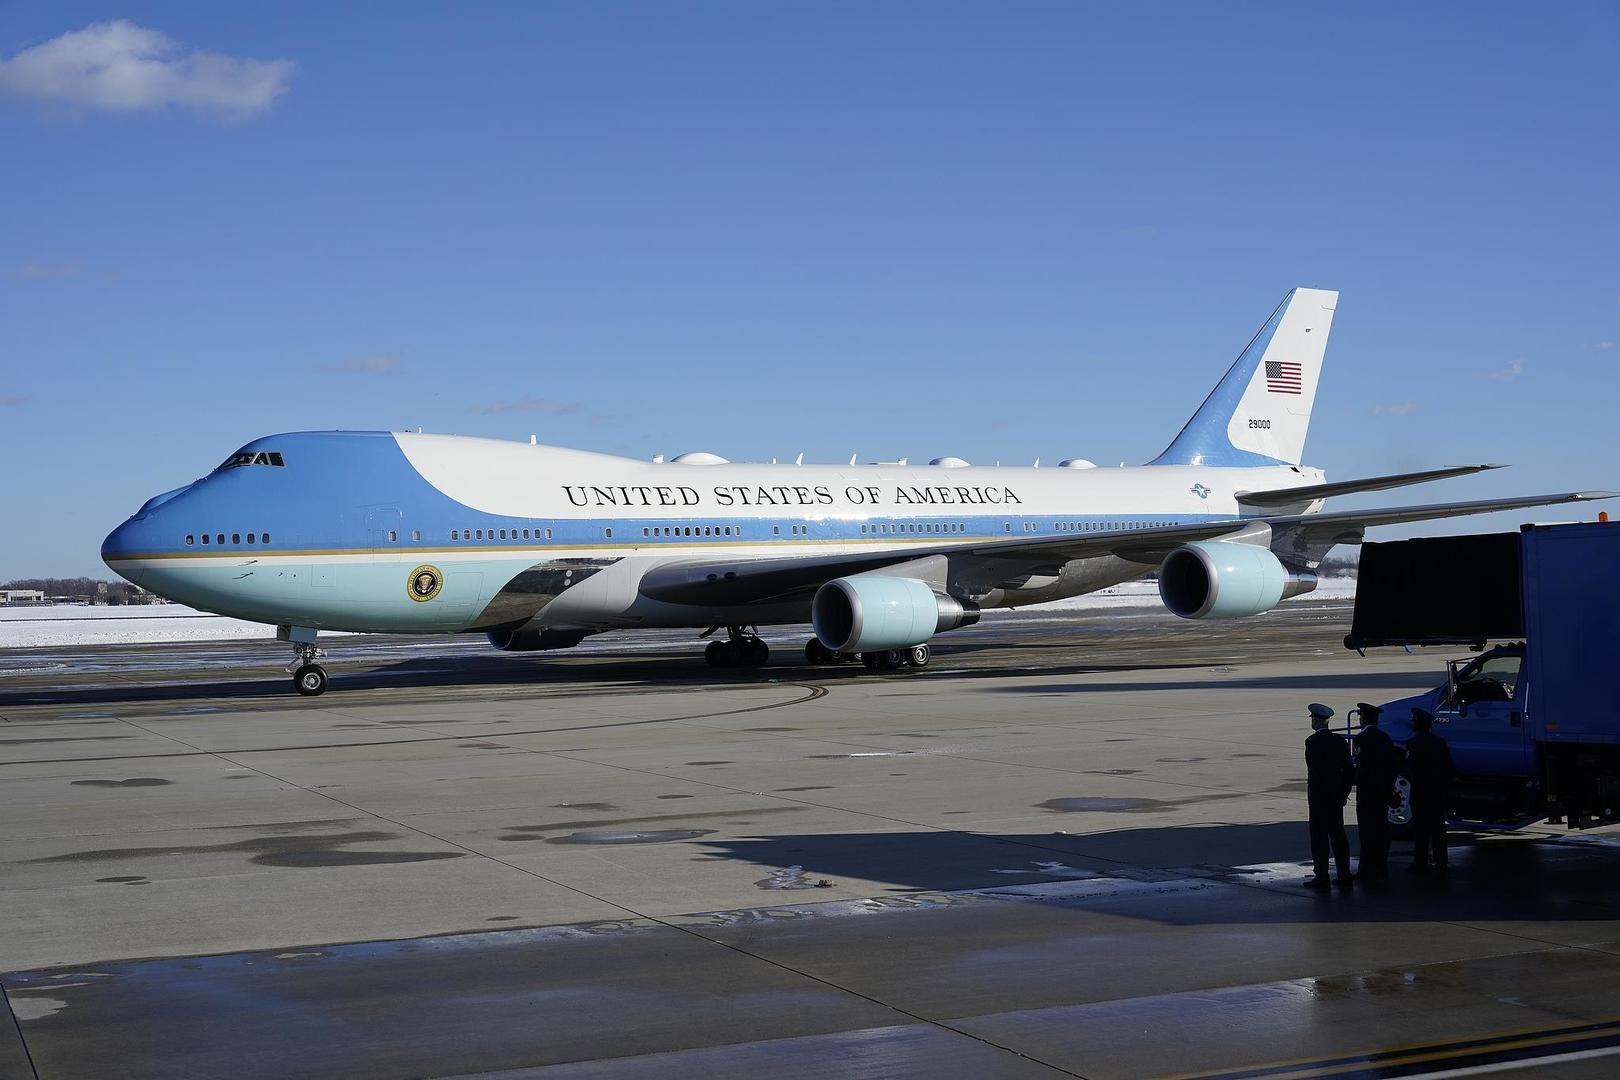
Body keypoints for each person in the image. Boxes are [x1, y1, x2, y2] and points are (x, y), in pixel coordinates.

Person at [1303, 703, 1354, 889]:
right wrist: (1343, 794)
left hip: (1318, 797)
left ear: (1317, 721)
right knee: (1338, 835)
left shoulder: (1312, 742)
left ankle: (1322, 876)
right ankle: (1344, 873)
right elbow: (1348, 771)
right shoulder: (1340, 741)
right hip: (1336, 796)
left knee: (1319, 837)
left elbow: (1313, 771)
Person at [1353, 702, 1399, 880]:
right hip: (1383, 791)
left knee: (1366, 832)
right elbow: (1393, 766)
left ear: (1363, 719)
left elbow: (1360, 767)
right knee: (1381, 829)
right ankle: (1381, 865)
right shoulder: (1385, 738)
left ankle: (1366, 868)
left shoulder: (1361, 738)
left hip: (1367, 792)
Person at [1405, 707, 1453, 873]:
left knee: (1421, 830)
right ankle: (1441, 861)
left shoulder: (1413, 743)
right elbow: (1447, 767)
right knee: (1438, 828)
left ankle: (1421, 862)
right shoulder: (1440, 742)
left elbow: (1410, 767)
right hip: (1437, 791)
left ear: (1417, 723)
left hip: (1420, 791)